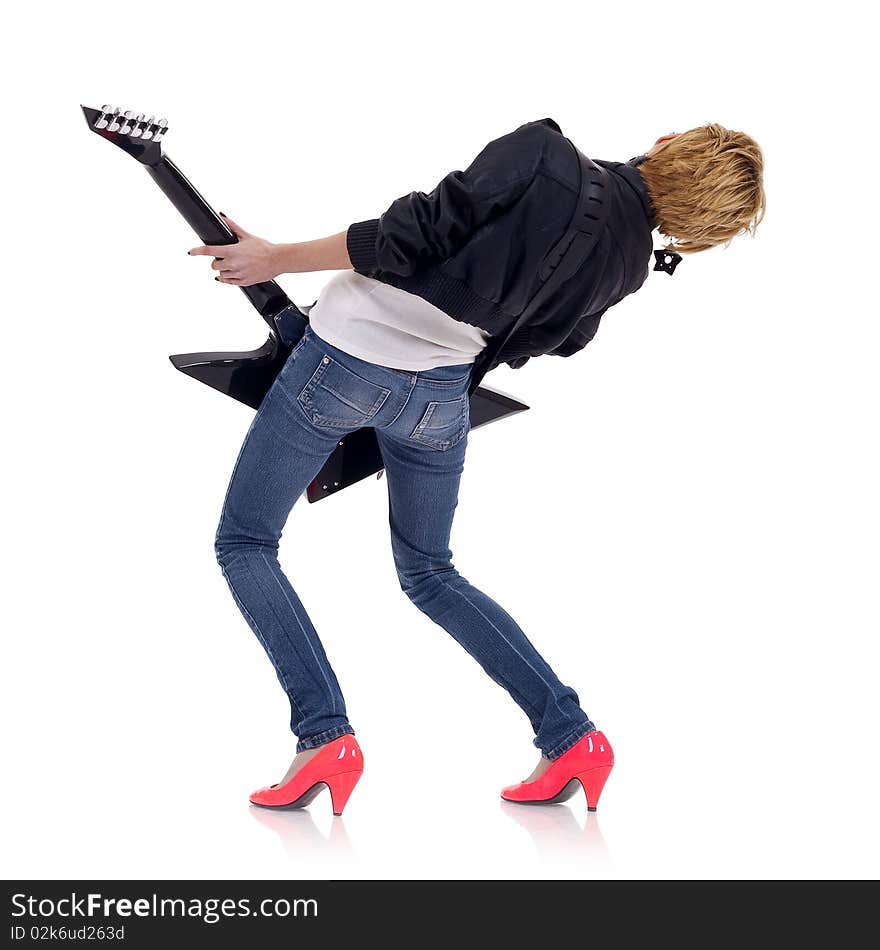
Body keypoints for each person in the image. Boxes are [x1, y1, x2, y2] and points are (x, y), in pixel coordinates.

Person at [189, 118, 765, 816]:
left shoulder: (546, 151)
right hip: (440, 398)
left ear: (673, 145)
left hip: (342, 362)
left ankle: (324, 735)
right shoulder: (630, 263)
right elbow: (559, 340)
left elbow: (414, 230)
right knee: (430, 572)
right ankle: (572, 737)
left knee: (246, 543)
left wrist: (276, 258)